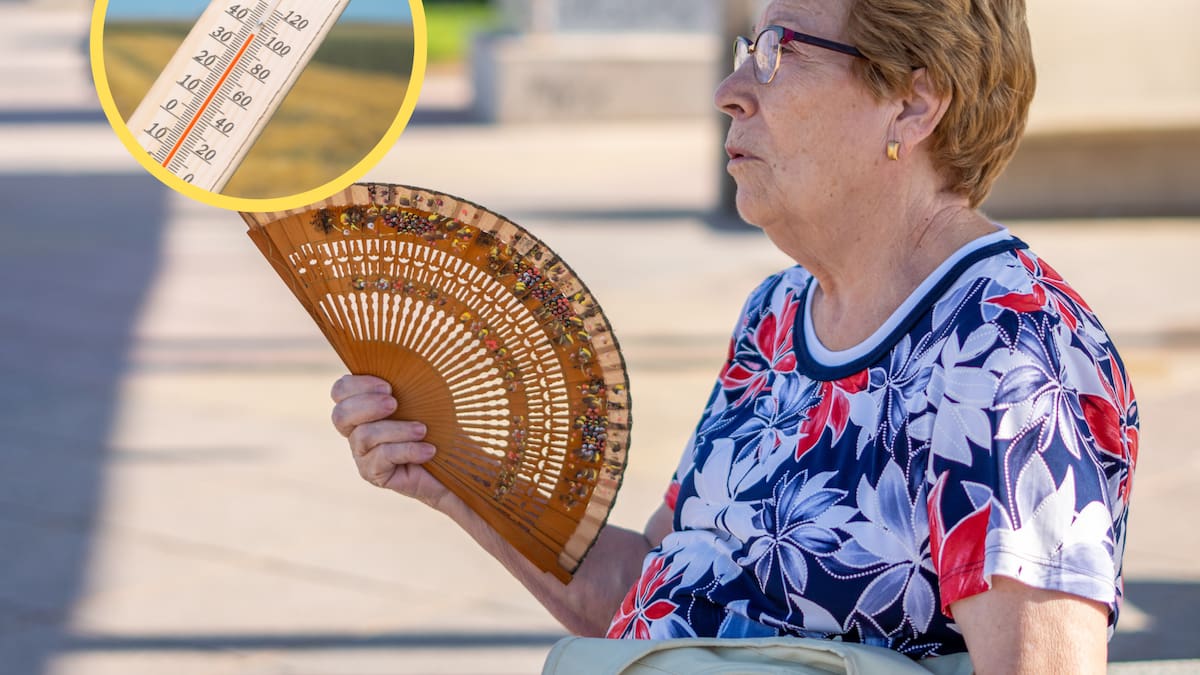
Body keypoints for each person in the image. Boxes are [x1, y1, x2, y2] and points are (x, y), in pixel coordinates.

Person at [329, 0, 1137, 671]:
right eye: (749, 49)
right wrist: (458, 472)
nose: (730, 90)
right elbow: (659, 591)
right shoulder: (780, 314)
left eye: (780, 51)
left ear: (913, 103)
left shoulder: (1007, 352)